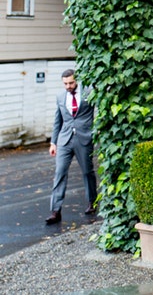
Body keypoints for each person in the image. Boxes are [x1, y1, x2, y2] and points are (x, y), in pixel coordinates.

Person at [46, 69, 97, 225]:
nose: (68, 86)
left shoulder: (89, 92)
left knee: (87, 171)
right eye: (65, 84)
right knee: (60, 172)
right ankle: (55, 211)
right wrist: (53, 142)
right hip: (64, 140)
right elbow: (58, 121)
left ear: (77, 81)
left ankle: (92, 202)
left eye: (71, 83)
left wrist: (95, 131)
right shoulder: (60, 97)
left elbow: (100, 112)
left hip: (84, 138)